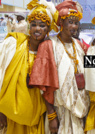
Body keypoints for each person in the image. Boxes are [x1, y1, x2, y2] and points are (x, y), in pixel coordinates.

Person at [0, 0, 58, 133]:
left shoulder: (51, 51)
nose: (37, 29)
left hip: (37, 117)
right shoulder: (13, 45)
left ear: (48, 29)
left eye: (42, 25)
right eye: (34, 25)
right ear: (29, 27)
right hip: (10, 116)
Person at [34, 0, 90, 133]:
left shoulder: (80, 45)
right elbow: (43, 84)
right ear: (61, 23)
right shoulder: (48, 45)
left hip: (82, 108)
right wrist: (51, 115)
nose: (74, 26)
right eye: (70, 22)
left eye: (76, 23)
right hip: (59, 112)